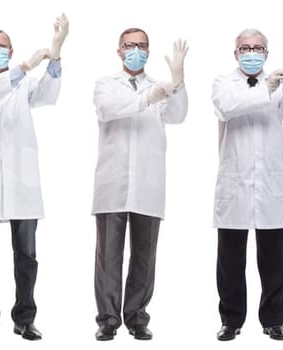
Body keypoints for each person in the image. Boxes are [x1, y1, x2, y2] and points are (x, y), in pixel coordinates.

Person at [0, 14, 66, 342]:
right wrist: (22, 66)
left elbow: (48, 96)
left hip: (22, 184)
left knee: (27, 256)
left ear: (10, 49)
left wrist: (56, 52)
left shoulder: (25, 85)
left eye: (2, 46)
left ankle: (25, 318)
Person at [89, 28, 188, 342]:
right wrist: (149, 97)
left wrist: (178, 81)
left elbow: (179, 115)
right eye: (130, 45)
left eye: (142, 46)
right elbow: (109, 110)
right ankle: (107, 320)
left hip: (148, 184)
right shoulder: (106, 85)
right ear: (119, 50)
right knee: (109, 257)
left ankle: (137, 318)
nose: (137, 50)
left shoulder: (160, 86)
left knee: (145, 257)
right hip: (112, 183)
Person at [211, 29, 283, 342]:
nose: (252, 53)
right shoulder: (224, 84)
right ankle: (231, 321)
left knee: (275, 260)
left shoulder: (279, 80)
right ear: (235, 53)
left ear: (266, 52)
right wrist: (268, 87)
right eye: (245, 48)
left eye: (258, 48)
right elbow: (229, 107)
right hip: (234, 186)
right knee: (230, 262)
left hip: (270, 186)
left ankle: (274, 320)